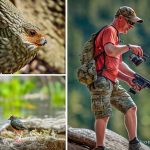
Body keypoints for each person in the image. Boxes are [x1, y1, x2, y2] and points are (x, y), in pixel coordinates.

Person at [89, 6, 143, 150]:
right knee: (103, 114)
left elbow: (117, 64)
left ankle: (134, 144)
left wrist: (132, 77)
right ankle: (100, 147)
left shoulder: (116, 36)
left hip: (112, 81)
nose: (131, 26)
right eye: (130, 23)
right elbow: (110, 51)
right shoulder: (109, 31)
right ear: (120, 18)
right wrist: (129, 46)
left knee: (131, 108)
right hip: (101, 81)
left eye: (133, 24)